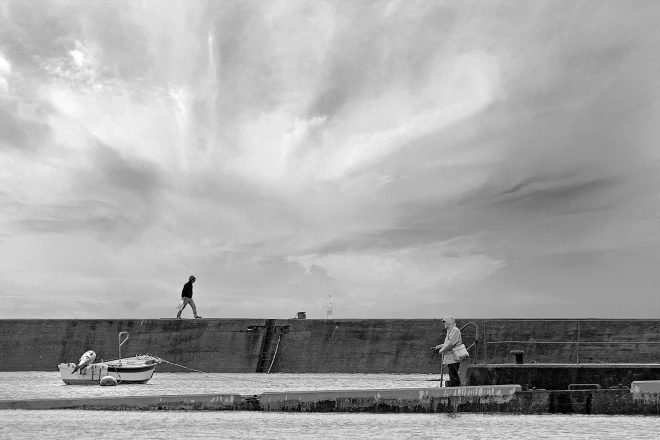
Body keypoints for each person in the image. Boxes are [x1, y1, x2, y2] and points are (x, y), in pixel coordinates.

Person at [432, 316, 465, 386]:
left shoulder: (455, 330)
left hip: (454, 355)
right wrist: (438, 347)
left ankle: (455, 387)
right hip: (451, 356)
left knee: (453, 372)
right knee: (452, 372)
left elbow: (451, 343)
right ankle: (455, 386)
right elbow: (447, 343)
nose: (444, 324)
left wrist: (440, 350)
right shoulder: (450, 330)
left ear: (449, 322)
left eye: (445, 322)